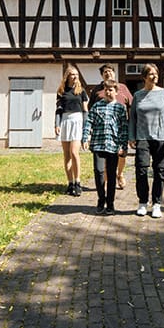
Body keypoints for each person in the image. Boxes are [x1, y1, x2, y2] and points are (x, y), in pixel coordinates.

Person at [127, 63, 164, 218]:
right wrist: (131, 136)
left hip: (161, 137)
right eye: (150, 73)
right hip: (142, 137)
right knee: (141, 169)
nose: (154, 76)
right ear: (144, 77)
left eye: (156, 73)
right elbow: (133, 119)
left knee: (159, 170)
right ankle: (143, 202)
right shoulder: (138, 95)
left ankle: (157, 204)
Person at [81, 80, 129, 215]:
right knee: (99, 171)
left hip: (113, 146)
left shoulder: (120, 108)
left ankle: (111, 203)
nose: (108, 92)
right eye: (106, 90)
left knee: (112, 175)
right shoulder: (97, 106)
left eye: (111, 90)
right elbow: (88, 122)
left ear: (116, 92)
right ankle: (101, 200)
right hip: (98, 144)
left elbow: (124, 129)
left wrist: (123, 146)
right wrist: (85, 137)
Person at [89, 64, 133, 190]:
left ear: (114, 73)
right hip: (103, 129)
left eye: (110, 71)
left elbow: (131, 104)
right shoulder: (97, 90)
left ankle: (119, 174)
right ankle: (108, 179)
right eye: (105, 72)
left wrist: (130, 123)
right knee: (106, 154)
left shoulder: (122, 87)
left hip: (120, 127)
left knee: (121, 154)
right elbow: (91, 108)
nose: (108, 74)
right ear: (102, 76)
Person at [54, 63, 88, 196]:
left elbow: (85, 111)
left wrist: (86, 127)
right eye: (72, 74)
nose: (75, 77)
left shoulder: (82, 91)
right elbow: (58, 110)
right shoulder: (61, 91)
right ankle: (70, 183)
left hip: (77, 121)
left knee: (74, 152)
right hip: (65, 121)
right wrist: (56, 124)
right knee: (67, 155)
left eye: (76, 75)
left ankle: (78, 182)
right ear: (67, 76)